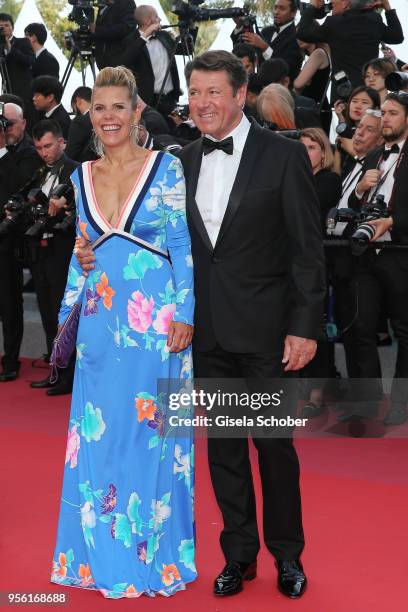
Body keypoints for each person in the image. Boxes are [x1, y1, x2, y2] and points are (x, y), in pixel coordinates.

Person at [76, 50, 326, 599]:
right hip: (199, 335)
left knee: (275, 447)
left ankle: (288, 555)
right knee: (224, 449)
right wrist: (90, 252)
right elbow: (155, 241)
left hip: (267, 334)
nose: (203, 102)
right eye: (195, 92)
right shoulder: (176, 161)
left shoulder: (282, 157)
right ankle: (239, 555)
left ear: (242, 96)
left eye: (215, 92)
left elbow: (309, 250)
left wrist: (304, 326)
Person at [51, 66, 196, 597]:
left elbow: (180, 246)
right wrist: (84, 255)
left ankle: (150, 557)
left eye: (118, 107)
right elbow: (83, 248)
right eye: (99, 108)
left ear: (137, 112)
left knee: (150, 440)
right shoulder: (79, 176)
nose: (108, 117)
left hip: (155, 325)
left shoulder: (167, 167)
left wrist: (186, 313)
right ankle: (95, 560)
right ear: (89, 115)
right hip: (99, 325)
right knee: (99, 439)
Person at [347, 91, 408, 425]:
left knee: (405, 332)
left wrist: (394, 221)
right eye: (383, 113)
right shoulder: (372, 157)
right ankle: (367, 404)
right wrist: (359, 190)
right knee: (361, 329)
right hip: (367, 256)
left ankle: (401, 403)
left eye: (394, 113)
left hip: (400, 255)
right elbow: (353, 208)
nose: (386, 118)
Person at [19, 120, 78, 395]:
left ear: (61, 142)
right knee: (45, 310)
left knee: (62, 313)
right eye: (40, 147)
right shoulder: (40, 172)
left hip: (65, 252)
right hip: (40, 250)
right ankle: (55, 369)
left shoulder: (76, 171)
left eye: (48, 146)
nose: (44, 152)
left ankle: (68, 375)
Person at [299, 128, 342, 417]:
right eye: (301, 147)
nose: (306, 152)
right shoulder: (292, 177)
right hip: (287, 260)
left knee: (315, 325)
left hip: (317, 262)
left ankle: (317, 394)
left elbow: (308, 211)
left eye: (312, 147)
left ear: (324, 153)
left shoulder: (328, 181)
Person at [0, 103, 41, 383]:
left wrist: (2, 150)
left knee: (10, 304)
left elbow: (17, 187)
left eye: (9, 124)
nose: (8, 129)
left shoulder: (25, 154)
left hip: (7, 242)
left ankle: (11, 360)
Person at [297, 0, 404, 102]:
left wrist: (312, 7)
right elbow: (397, 37)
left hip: (342, 92)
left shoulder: (333, 23)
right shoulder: (374, 20)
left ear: (345, 3)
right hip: (368, 91)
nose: (331, 3)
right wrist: (387, 8)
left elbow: (303, 33)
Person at [121, 5, 182, 117]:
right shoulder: (130, 40)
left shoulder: (164, 36)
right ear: (148, 21)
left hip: (169, 99)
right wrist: (144, 36)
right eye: (156, 16)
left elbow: (185, 49)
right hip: (147, 100)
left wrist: (188, 26)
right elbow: (125, 61)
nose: (160, 19)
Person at [236, 0, 303, 84]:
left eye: (282, 9)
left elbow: (289, 68)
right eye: (275, 7)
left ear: (293, 13)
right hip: (259, 88)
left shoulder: (297, 37)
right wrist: (239, 26)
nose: (276, 12)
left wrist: (265, 47)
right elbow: (242, 53)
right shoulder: (266, 31)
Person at [294, 37, 331, 133]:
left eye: (303, 35)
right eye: (297, 36)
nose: (299, 39)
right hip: (313, 108)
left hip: (314, 109)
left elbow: (298, 84)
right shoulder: (317, 54)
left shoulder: (319, 53)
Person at [0, 13, 34, 106]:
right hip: (6, 93)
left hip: (23, 95)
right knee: (5, 116)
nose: (3, 28)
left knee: (22, 118)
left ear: (12, 28)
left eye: (6, 25)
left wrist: (11, 48)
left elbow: (30, 61)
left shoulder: (23, 42)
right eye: (0, 26)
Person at [92, 0, 136, 69]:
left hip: (118, 59)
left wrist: (98, 30)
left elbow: (126, 27)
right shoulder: (103, 4)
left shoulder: (127, 2)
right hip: (102, 60)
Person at [32, 76, 71, 141]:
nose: (33, 98)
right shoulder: (51, 115)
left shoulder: (60, 121)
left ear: (50, 97)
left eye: (37, 95)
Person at [66, 87, 97, 163]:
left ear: (78, 101)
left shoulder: (79, 122)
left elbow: (71, 154)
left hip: (83, 169)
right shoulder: (104, 117)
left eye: (74, 109)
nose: (75, 112)